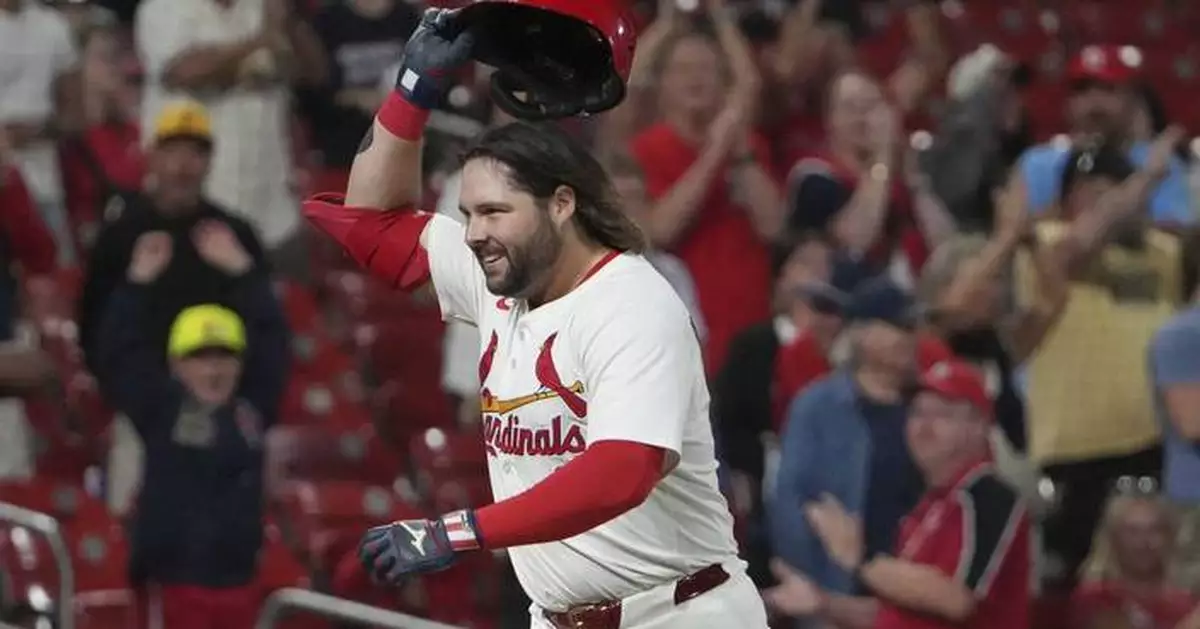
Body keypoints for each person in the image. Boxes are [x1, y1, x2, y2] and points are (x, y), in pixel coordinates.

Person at [302, 10, 767, 629]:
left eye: (496, 212)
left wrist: (460, 531)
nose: (475, 234)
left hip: (681, 613)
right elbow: (370, 224)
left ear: (562, 204)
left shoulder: (633, 302)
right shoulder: (496, 278)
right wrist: (415, 88)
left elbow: (621, 472)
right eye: (468, 214)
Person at [95, 228, 289, 629]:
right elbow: (118, 354)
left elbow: (274, 343)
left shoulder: (252, 412)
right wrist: (136, 284)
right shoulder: (160, 410)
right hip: (171, 590)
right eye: (199, 357)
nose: (214, 369)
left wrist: (245, 273)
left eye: (225, 356)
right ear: (176, 365)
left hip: (240, 591)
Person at [767, 361, 1032, 629]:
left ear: (979, 426)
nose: (923, 427)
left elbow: (954, 599)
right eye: (917, 413)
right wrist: (824, 603)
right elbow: (892, 614)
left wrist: (859, 559)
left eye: (942, 414)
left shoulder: (988, 497)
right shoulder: (928, 505)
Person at [769, 277, 949, 602]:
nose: (910, 337)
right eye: (899, 326)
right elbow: (792, 503)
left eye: (913, 327)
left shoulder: (930, 406)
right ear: (862, 334)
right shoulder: (819, 406)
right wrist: (820, 592)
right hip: (838, 589)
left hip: (913, 589)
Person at [77, 99, 268, 379]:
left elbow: (265, 326)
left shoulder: (235, 234)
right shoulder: (120, 234)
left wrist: (242, 272)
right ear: (152, 157)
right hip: (143, 390)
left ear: (209, 161)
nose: (182, 166)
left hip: (223, 386)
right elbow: (94, 328)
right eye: (171, 152)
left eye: (195, 154)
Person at [1071, 491, 1200, 629]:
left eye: (1155, 530)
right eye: (1132, 531)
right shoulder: (1095, 597)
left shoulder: (1187, 599)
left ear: (1170, 537)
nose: (1143, 542)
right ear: (1113, 539)